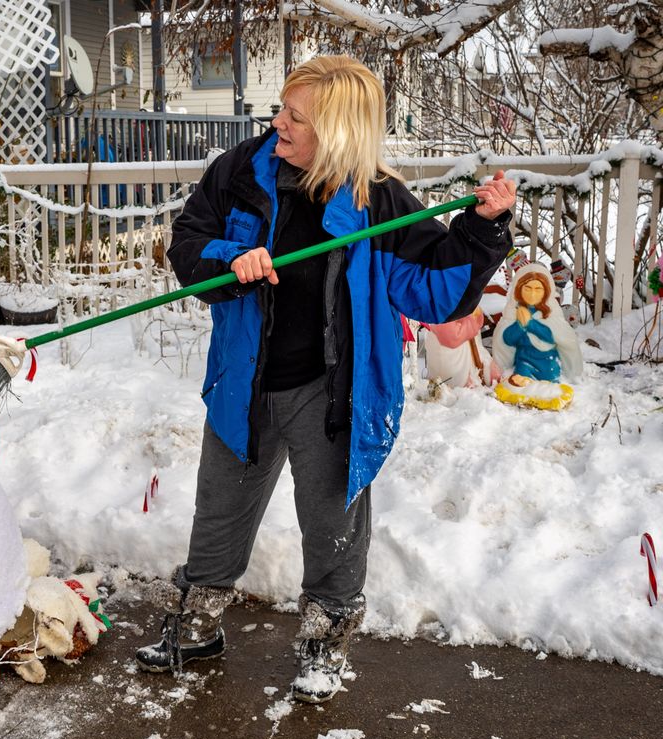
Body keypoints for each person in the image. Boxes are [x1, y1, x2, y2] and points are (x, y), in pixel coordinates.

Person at [134, 55, 516, 703]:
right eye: (281, 108)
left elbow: (433, 291)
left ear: (336, 130)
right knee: (220, 506)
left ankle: (324, 640)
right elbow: (189, 244)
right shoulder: (240, 174)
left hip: (335, 390)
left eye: (294, 116)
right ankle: (198, 619)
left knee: (332, 519)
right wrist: (232, 259)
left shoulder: (378, 200)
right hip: (244, 382)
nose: (276, 121)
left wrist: (480, 232)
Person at [492, 263, 582, 386]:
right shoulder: (514, 311)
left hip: (548, 360)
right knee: (519, 382)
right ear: (519, 289)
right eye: (527, 288)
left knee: (549, 383)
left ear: (546, 291)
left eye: (538, 289)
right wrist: (519, 325)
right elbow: (507, 339)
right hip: (524, 360)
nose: (532, 294)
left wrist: (530, 324)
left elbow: (555, 336)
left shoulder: (552, 312)